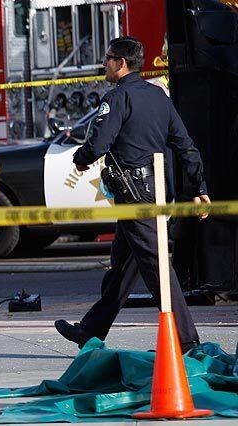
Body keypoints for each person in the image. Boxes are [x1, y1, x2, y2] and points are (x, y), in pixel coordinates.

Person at [54, 36, 211, 354]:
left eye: (108, 58)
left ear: (121, 63)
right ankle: (90, 330)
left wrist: (81, 159)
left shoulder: (117, 98)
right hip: (155, 192)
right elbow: (185, 145)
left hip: (135, 196)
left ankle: (187, 340)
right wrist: (199, 188)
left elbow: (98, 144)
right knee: (123, 267)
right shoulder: (159, 97)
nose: (104, 64)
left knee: (156, 269)